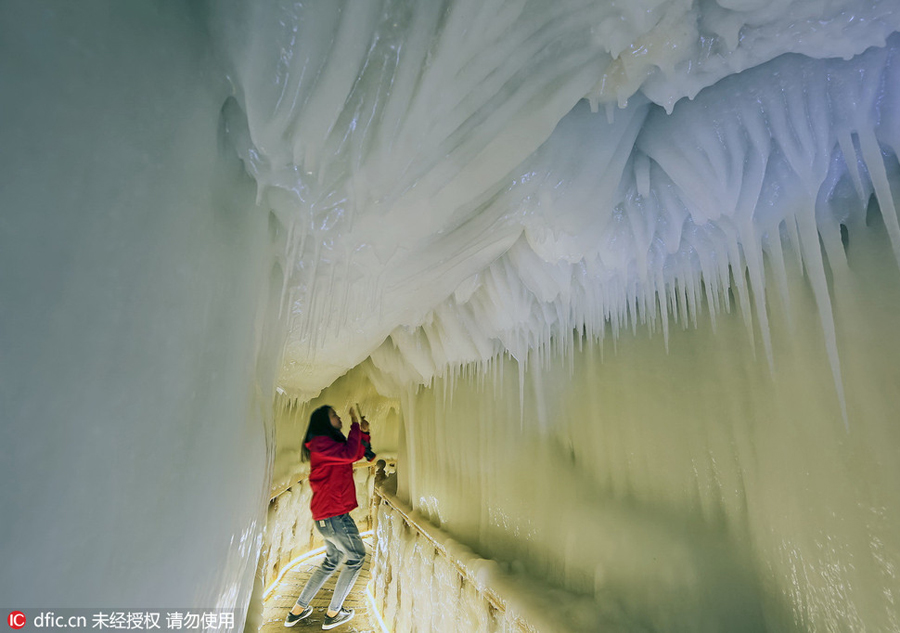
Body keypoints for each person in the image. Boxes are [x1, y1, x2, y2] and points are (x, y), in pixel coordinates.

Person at [284, 405, 371, 630]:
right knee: (356, 558)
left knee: (332, 561)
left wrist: (363, 433)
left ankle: (297, 610)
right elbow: (350, 454)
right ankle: (333, 613)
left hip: (328, 515)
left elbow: (355, 454)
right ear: (324, 422)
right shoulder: (321, 443)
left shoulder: (328, 444)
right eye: (334, 415)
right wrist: (354, 422)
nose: (338, 417)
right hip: (334, 515)